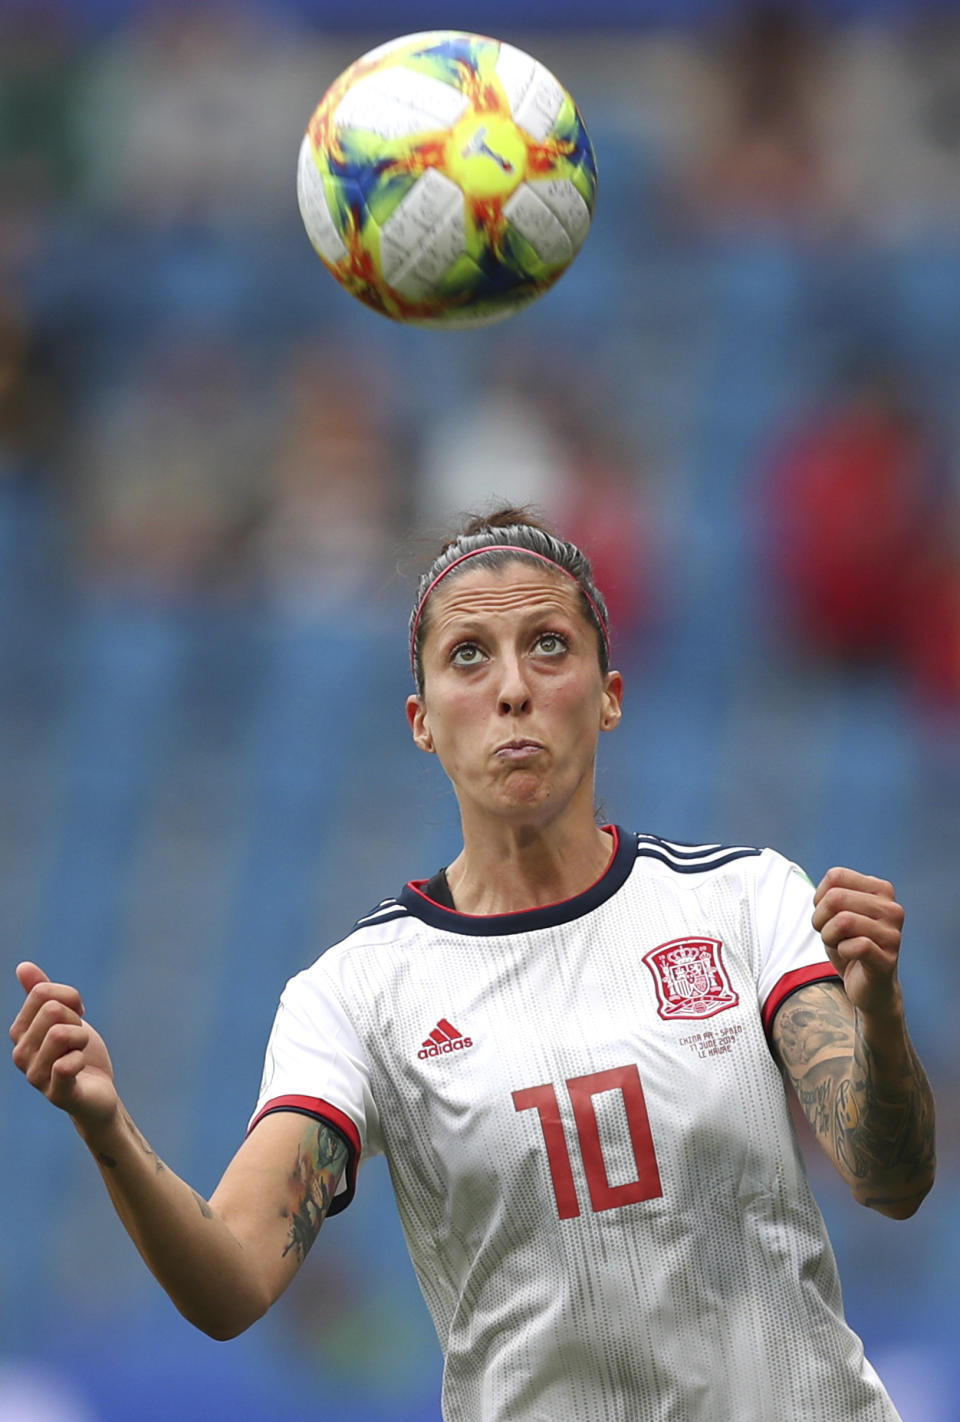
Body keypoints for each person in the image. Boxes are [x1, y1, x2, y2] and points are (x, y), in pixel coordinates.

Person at [10, 508, 936, 1421]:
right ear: (421, 720)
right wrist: (108, 1130)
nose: (512, 689)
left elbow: (891, 1182)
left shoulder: (746, 902)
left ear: (609, 693)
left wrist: (881, 1013)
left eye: (548, 646)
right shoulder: (359, 995)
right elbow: (232, 1285)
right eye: (468, 656)